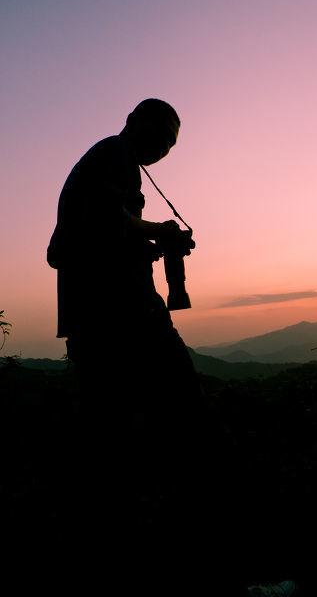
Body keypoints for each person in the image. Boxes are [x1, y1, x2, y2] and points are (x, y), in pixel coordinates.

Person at [47, 98, 296, 596]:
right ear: (138, 124)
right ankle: (242, 562)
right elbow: (102, 224)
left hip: (93, 326)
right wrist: (156, 231)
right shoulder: (114, 157)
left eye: (171, 144)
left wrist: (150, 244)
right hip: (129, 319)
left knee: (110, 439)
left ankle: (107, 559)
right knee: (194, 422)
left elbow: (68, 247)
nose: (165, 150)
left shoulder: (100, 166)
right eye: (163, 137)